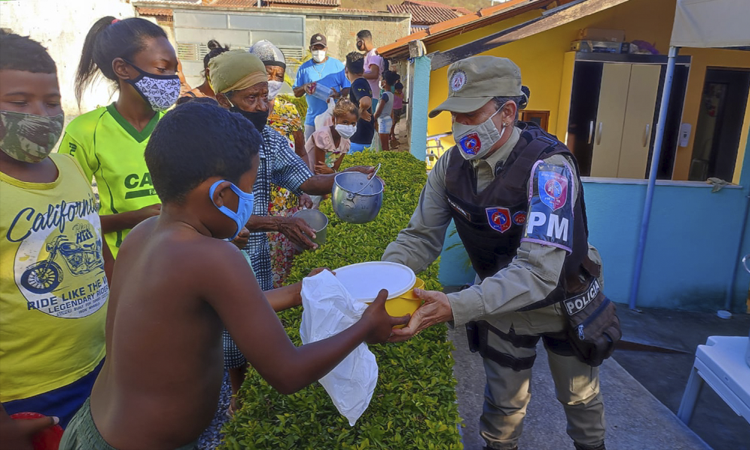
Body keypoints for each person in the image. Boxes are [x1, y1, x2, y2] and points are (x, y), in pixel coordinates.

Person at [57, 101, 406, 450]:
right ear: (222, 195)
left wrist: (302, 289)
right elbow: (288, 372)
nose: (250, 200)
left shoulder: (143, 234)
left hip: (93, 427)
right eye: (249, 189)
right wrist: (364, 328)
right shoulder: (214, 257)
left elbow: (224, 307)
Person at [383, 56, 612, 450]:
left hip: (566, 301)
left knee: (581, 402)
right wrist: (381, 281)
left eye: (471, 115)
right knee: (503, 409)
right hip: (502, 305)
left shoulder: (549, 169)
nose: (459, 128)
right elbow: (419, 237)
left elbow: (538, 273)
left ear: (507, 112)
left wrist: (455, 306)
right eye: (455, 116)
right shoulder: (450, 167)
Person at [208, 49, 376, 406]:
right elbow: (212, 218)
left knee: (255, 326)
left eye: (264, 96)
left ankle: (249, 393)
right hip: (216, 260)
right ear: (224, 100)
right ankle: (236, 395)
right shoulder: (205, 149)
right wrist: (278, 223)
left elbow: (305, 180)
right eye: (250, 98)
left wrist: (342, 179)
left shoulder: (269, 140)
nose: (262, 106)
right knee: (225, 339)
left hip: (257, 256)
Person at [0, 30, 114, 447]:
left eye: (51, 102)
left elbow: (98, 251)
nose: (43, 114)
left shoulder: (69, 167)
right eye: (18, 102)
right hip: (27, 393)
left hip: (100, 364)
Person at [60, 16, 181, 258]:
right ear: (122, 69)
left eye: (174, 69)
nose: (172, 79)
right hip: (121, 265)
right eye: (161, 68)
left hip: (180, 260)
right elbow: (66, 218)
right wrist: (134, 218)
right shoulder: (85, 131)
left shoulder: (178, 126)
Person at [249, 39, 310, 288]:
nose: (274, 80)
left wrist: (304, 188)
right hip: (254, 208)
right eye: (268, 73)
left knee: (277, 268)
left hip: (285, 202)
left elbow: (302, 153)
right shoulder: (237, 117)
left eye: (279, 75)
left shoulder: (288, 112)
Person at [293, 33, 350, 141]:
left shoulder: (337, 65)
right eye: (315, 48)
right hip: (311, 120)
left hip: (332, 119)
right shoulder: (304, 68)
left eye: (321, 48)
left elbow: (347, 87)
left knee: (331, 150)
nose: (318, 52)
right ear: (310, 49)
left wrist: (339, 94)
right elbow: (296, 92)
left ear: (326, 49)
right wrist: (304, 87)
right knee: (309, 150)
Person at [307, 98, 358, 175]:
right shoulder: (322, 136)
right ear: (334, 120)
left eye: (353, 123)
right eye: (345, 122)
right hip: (308, 175)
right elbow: (319, 170)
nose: (349, 127)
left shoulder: (346, 142)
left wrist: (331, 172)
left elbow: (335, 168)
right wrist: (331, 172)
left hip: (325, 177)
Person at [344, 52, 375, 154]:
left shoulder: (357, 83)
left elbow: (365, 101)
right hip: (365, 135)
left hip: (359, 138)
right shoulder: (363, 82)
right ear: (362, 70)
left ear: (346, 70)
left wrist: (360, 112)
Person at [355, 30, 384, 113]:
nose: (357, 44)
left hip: (374, 97)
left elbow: (374, 74)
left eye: (357, 41)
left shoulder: (373, 55)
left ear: (362, 41)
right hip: (369, 96)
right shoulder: (368, 55)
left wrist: (358, 76)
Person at [374, 70, 399, 151]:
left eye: (381, 80)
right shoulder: (391, 94)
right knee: (385, 145)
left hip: (383, 121)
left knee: (384, 146)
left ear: (384, 82)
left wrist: (373, 119)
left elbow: (378, 111)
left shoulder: (385, 96)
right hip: (387, 120)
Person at [390, 80, 405, 145]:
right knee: (392, 124)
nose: (400, 91)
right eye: (398, 90)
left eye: (401, 89)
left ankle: (391, 134)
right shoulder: (393, 95)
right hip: (394, 110)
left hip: (399, 110)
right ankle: (392, 136)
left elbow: (401, 101)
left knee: (395, 123)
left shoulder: (401, 94)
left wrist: (406, 102)